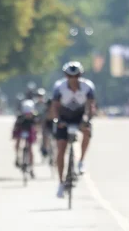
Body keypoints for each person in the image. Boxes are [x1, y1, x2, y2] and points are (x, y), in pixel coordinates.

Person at [50, 60, 96, 197]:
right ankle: (60, 182)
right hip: (64, 118)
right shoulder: (59, 87)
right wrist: (57, 120)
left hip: (80, 116)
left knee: (87, 131)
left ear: (80, 76)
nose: (73, 79)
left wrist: (87, 119)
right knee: (61, 149)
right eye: (70, 76)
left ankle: (81, 160)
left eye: (76, 76)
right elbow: (55, 106)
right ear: (66, 76)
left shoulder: (88, 87)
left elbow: (91, 106)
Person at [13, 98, 39, 174]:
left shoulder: (34, 117)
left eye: (29, 113)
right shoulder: (20, 117)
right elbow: (16, 128)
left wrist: (36, 134)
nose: (28, 115)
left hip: (30, 131)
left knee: (30, 149)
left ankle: (31, 167)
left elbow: (37, 127)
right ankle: (17, 156)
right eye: (26, 113)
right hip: (21, 130)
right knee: (18, 141)